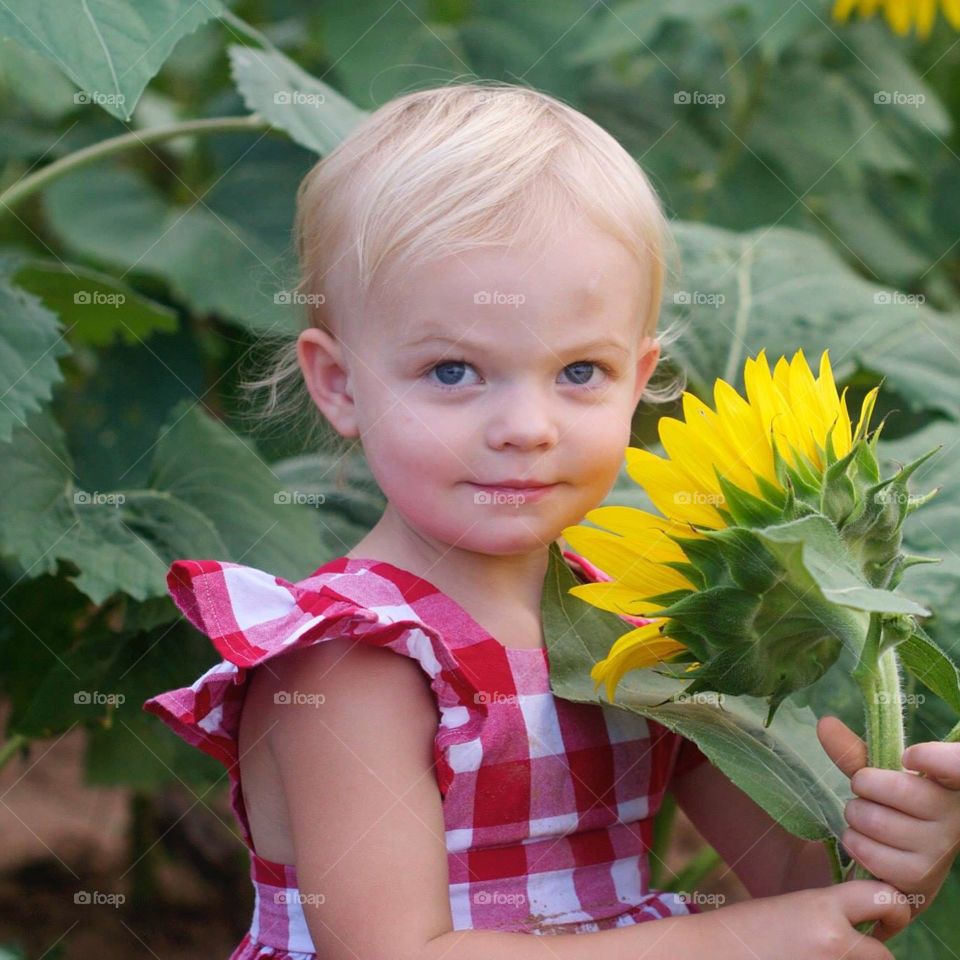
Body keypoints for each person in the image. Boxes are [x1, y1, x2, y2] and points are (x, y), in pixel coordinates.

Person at [143, 81, 960, 960]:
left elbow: (812, 899)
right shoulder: (355, 662)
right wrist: (728, 942)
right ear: (340, 385)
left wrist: (902, 854)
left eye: (579, 372)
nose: (526, 428)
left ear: (641, 375)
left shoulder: (638, 625)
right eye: (454, 372)